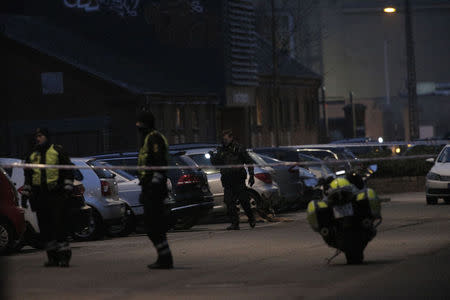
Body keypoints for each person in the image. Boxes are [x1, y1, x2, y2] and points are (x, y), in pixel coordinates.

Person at [21, 128, 74, 267]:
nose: (38, 138)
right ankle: (52, 257)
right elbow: (28, 177)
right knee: (45, 229)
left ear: (47, 137)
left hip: (56, 195)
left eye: (41, 135)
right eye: (36, 136)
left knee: (59, 227)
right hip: (39, 197)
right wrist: (25, 196)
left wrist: (67, 190)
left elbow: (68, 170)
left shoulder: (57, 151)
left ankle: (64, 257)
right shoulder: (32, 155)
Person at [137, 111, 173, 269]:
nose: (138, 128)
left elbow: (159, 163)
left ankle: (165, 259)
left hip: (154, 189)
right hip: (149, 187)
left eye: (140, 125)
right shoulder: (147, 139)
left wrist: (153, 186)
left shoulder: (154, 138)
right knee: (152, 225)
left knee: (154, 225)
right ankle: (164, 257)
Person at [210, 129, 256, 230]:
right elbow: (216, 165)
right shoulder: (221, 150)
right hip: (227, 180)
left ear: (231, 138)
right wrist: (212, 157)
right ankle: (235, 223)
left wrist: (252, 176)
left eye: (226, 139)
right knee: (229, 202)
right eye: (223, 139)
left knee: (244, 201)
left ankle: (251, 217)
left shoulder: (239, 148)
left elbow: (249, 162)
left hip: (238, 179)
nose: (224, 141)